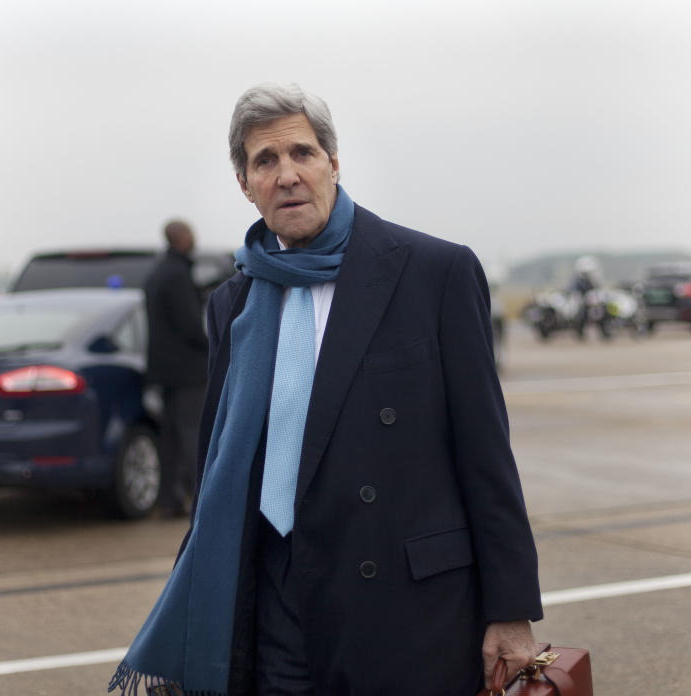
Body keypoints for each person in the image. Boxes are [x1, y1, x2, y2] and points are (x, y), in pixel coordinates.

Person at [111, 83, 542, 696]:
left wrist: (511, 611)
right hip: (276, 608)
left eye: (302, 154)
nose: (287, 174)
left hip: (405, 610)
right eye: (265, 161)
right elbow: (219, 475)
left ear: (333, 164)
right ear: (245, 184)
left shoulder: (433, 274)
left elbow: (487, 458)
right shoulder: (233, 304)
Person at [143, 220, 209, 517]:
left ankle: (168, 500)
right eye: (190, 233)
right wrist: (213, 344)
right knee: (191, 436)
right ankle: (198, 500)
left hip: (163, 371)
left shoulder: (157, 272)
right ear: (181, 238)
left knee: (169, 438)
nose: (194, 238)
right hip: (187, 370)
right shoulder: (178, 275)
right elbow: (191, 325)